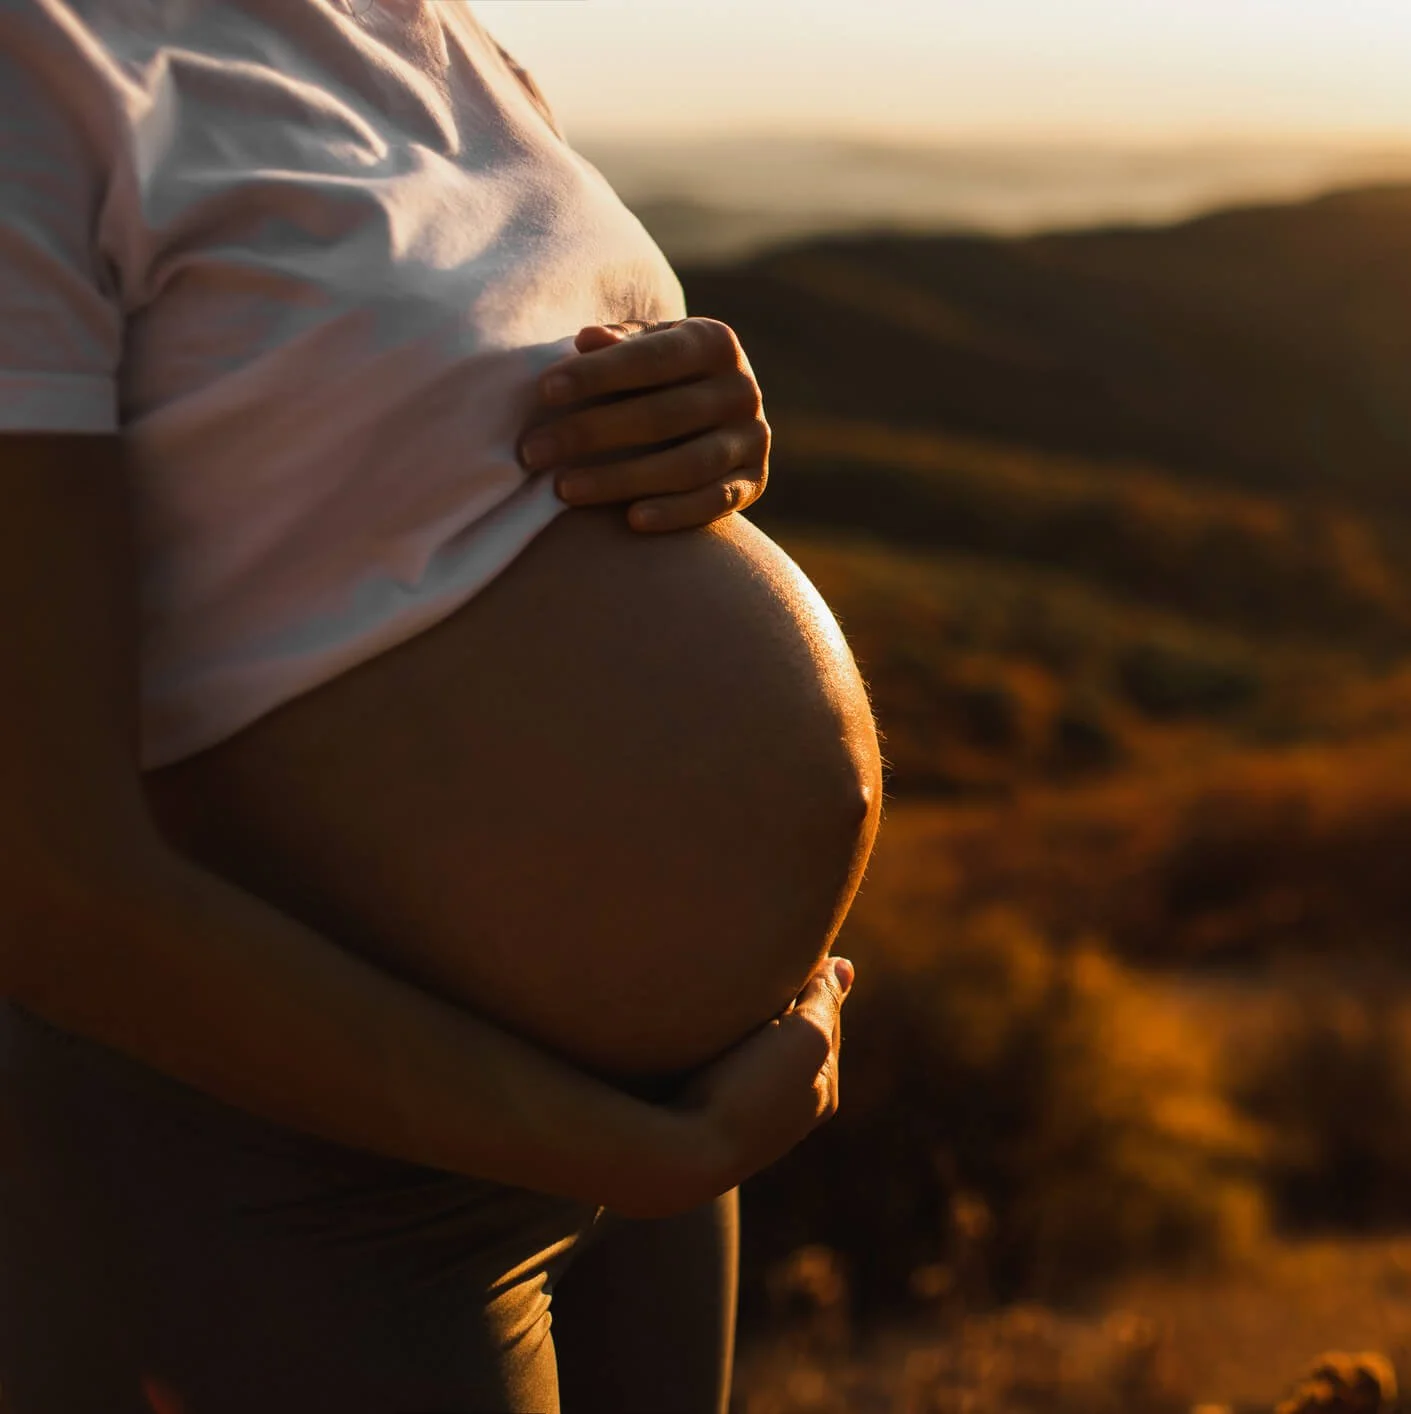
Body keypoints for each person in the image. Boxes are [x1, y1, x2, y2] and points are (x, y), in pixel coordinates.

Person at [0, 1, 885, 1410]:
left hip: (661, 1109)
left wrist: (706, 419)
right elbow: (43, 877)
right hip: (315, 1169)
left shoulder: (420, 28)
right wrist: (637, 1153)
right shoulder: (38, 65)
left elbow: (406, 469)